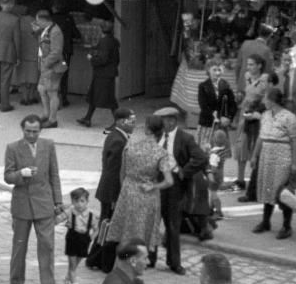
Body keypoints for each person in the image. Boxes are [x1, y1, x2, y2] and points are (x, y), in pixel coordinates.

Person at [4, 115, 68, 284]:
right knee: (20, 245)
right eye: (28, 131)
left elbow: (54, 175)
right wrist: (20, 174)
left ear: (40, 131)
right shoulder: (12, 148)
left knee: (47, 245)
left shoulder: (48, 145)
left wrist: (58, 201)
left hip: (44, 203)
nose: (31, 135)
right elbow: (7, 176)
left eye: (35, 131)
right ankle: (16, 280)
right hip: (22, 204)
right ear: (22, 130)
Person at [105, 114, 174, 266]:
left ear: (146, 129)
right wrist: (154, 185)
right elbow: (169, 181)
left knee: (125, 233)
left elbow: (122, 174)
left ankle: (120, 265)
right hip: (148, 196)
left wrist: (127, 188)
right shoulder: (160, 153)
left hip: (128, 192)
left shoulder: (130, 147)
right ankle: (137, 268)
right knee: (142, 235)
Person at [156, 106, 212, 263]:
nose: (166, 123)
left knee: (173, 224)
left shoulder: (185, 138)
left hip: (175, 184)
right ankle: (150, 258)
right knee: (154, 221)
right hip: (158, 181)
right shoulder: (157, 136)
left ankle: (174, 262)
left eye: (169, 120)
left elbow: (201, 158)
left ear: (174, 120)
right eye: (164, 120)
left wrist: (184, 171)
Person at [250, 86, 296, 240]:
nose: (263, 101)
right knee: (267, 187)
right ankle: (266, 221)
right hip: (266, 155)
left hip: (282, 155)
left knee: (282, 191)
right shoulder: (265, 115)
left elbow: (294, 141)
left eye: (265, 98)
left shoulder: (290, 117)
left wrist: (295, 163)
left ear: (272, 100)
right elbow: (260, 137)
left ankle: (287, 225)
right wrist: (254, 156)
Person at [87, 107, 134, 272]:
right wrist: (116, 196)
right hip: (111, 192)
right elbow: (114, 171)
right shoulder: (119, 141)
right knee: (109, 227)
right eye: (131, 121)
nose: (134, 125)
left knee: (105, 226)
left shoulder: (115, 135)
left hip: (107, 190)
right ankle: (101, 260)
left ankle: (96, 259)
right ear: (121, 121)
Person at [233, 53, 269, 193]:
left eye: (252, 64)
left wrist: (257, 111)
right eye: (248, 64)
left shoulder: (265, 79)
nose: (248, 67)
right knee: (241, 145)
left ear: (259, 66)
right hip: (244, 114)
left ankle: (256, 181)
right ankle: (240, 180)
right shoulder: (247, 76)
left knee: (257, 148)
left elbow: (266, 99)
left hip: (258, 116)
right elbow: (245, 93)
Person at [77, 20, 119, 128]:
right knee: (94, 96)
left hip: (103, 74)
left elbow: (103, 59)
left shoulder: (105, 42)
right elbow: (114, 58)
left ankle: (118, 122)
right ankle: (87, 118)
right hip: (107, 73)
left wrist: (92, 58)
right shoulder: (113, 41)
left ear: (101, 30)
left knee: (109, 99)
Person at [33, 10, 65, 128]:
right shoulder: (46, 29)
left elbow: (56, 52)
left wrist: (46, 63)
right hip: (45, 66)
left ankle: (53, 120)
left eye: (37, 20)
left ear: (43, 20)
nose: (36, 22)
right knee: (41, 88)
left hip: (52, 66)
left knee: (52, 92)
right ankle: (46, 114)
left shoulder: (55, 31)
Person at [60, 187, 92, 284]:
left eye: (82, 201)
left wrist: (92, 236)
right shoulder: (69, 211)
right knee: (73, 265)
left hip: (84, 241)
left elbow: (96, 227)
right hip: (72, 240)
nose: (79, 204)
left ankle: (66, 280)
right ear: (72, 202)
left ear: (87, 201)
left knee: (75, 264)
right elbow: (59, 219)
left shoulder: (91, 214)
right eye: (76, 201)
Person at [196, 62, 237, 148]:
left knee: (220, 153)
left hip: (222, 126)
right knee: (206, 152)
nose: (217, 72)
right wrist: (218, 117)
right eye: (214, 70)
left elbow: (232, 104)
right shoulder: (203, 86)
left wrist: (228, 117)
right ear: (208, 71)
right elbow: (203, 106)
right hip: (208, 124)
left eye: (219, 70)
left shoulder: (226, 86)